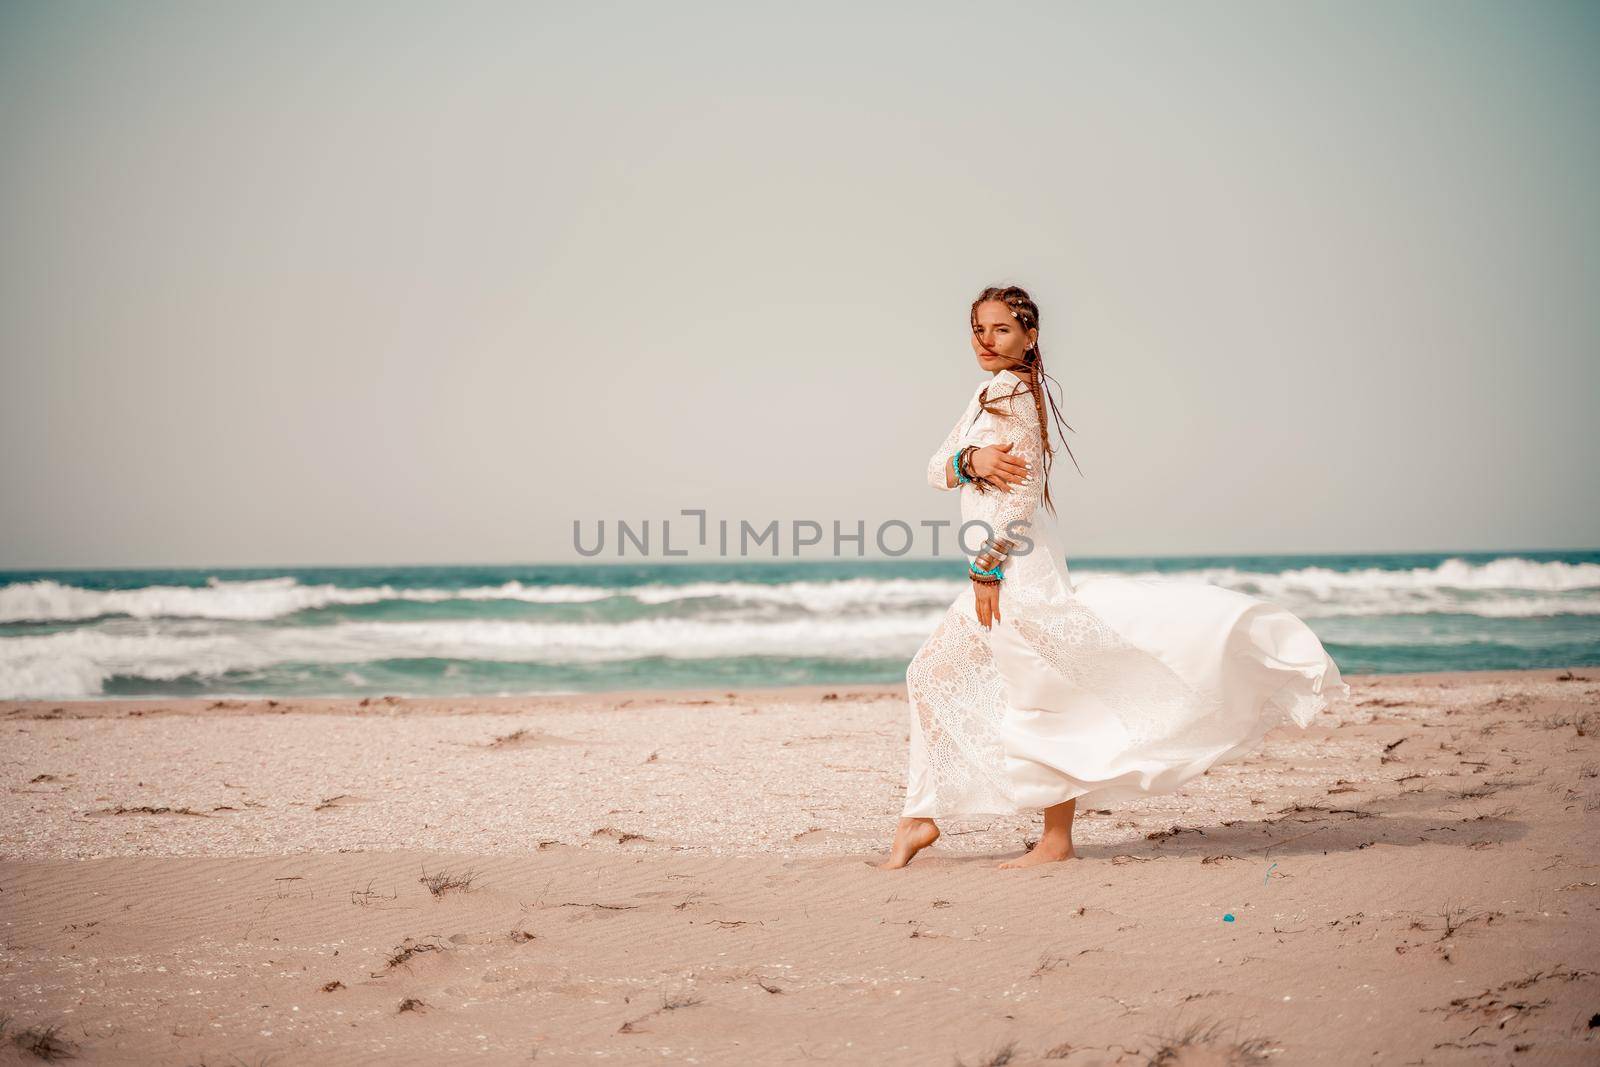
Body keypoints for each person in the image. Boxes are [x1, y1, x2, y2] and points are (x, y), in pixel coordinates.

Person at [877, 284, 1350, 870]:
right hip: (1001, 568)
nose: (986, 340)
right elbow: (933, 469)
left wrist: (986, 567)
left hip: (1012, 571)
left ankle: (1048, 841)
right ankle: (921, 818)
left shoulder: (1017, 394)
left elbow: (1021, 494)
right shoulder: (988, 392)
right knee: (936, 674)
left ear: (1030, 335)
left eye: (1001, 329)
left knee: (1041, 696)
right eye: (978, 329)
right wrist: (967, 462)